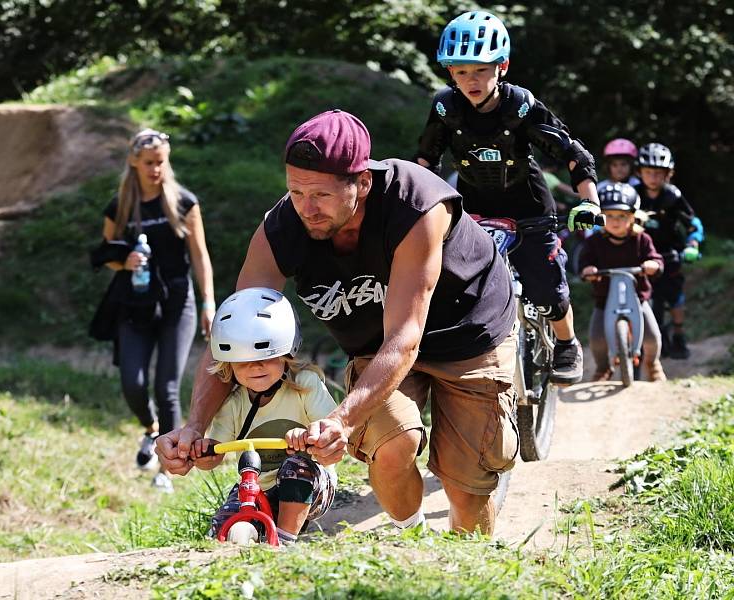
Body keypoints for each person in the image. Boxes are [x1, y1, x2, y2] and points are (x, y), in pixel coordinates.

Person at [157, 108, 518, 535]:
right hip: (375, 346)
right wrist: (195, 427)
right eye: (295, 193)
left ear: (362, 182)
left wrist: (342, 420)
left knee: (464, 485)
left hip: (467, 332)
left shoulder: (416, 206)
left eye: (321, 196)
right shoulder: (282, 230)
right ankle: (415, 539)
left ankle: (466, 557)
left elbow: (405, 338)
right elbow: (233, 333)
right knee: (391, 445)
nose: (306, 209)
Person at [414, 9, 601, 385]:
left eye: (480, 69)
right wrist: (414, 206)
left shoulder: (521, 107)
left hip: (529, 208)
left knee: (547, 288)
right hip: (472, 210)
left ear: (502, 66)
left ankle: (567, 343)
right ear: (450, 72)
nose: (471, 80)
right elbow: (425, 161)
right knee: (455, 288)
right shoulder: (445, 109)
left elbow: (572, 154)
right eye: (461, 71)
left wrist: (590, 201)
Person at [100, 128, 216, 492]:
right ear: (134, 162)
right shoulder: (120, 206)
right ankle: (151, 432)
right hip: (135, 303)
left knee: (167, 387)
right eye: (149, 163)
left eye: (161, 162)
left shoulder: (183, 202)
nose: (155, 170)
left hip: (177, 302)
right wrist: (125, 261)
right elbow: (108, 255)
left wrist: (208, 303)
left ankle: (167, 469)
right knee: (132, 383)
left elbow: (200, 256)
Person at [194, 287, 337, 544]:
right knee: (222, 523)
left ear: (285, 353)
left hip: (311, 481)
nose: (255, 367)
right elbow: (214, 455)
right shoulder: (234, 403)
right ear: (228, 363)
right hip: (259, 485)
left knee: (295, 468)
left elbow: (329, 430)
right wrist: (203, 454)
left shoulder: (305, 384)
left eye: (266, 356)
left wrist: (308, 435)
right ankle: (242, 541)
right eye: (242, 360)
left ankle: (283, 541)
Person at [579, 183, 665, 381]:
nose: (615, 221)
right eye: (609, 215)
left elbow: (656, 258)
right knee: (597, 339)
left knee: (652, 338)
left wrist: (653, 264)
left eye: (622, 216)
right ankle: (603, 368)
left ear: (633, 217)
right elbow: (585, 263)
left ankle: (652, 364)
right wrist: (588, 270)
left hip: (637, 299)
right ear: (600, 217)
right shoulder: (595, 242)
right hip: (604, 300)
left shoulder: (642, 239)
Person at [634, 142, 703, 360]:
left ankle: (679, 334)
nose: (653, 177)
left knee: (675, 298)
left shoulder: (673, 196)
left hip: (671, 254)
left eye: (659, 173)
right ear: (639, 173)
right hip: (642, 257)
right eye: (648, 172)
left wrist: (692, 245)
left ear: (668, 174)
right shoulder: (632, 196)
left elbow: (694, 224)